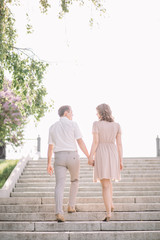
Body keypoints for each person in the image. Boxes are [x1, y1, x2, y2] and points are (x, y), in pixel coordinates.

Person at [47, 105, 89, 222]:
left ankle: (59, 212)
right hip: (72, 155)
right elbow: (80, 142)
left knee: (59, 185)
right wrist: (89, 156)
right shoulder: (73, 124)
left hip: (59, 157)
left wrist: (48, 164)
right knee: (74, 180)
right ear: (66, 113)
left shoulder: (52, 127)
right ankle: (71, 206)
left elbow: (50, 147)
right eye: (71, 113)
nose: (73, 115)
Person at [88, 103, 123, 222]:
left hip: (102, 152)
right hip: (113, 153)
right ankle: (111, 204)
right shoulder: (117, 125)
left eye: (97, 111)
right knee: (108, 181)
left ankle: (108, 213)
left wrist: (90, 156)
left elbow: (95, 142)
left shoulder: (96, 124)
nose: (96, 114)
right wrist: (120, 160)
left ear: (101, 112)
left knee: (105, 185)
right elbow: (119, 144)